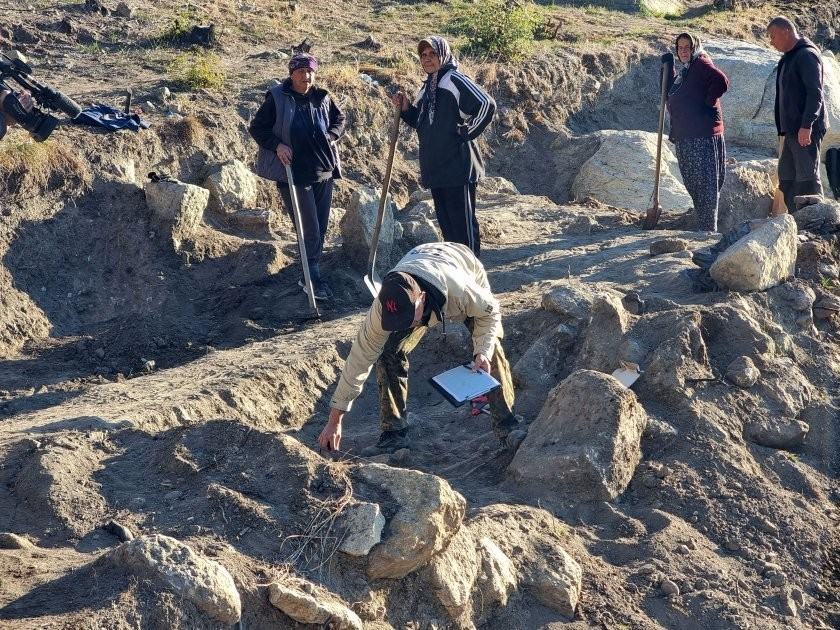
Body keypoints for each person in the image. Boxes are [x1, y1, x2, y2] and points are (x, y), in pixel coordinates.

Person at [317, 241, 526, 455]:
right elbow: (358, 360)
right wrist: (334, 420)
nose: (403, 325)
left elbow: (490, 314)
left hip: (460, 264)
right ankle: (394, 435)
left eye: (407, 318)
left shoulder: (462, 290)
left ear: (422, 300)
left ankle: (508, 427)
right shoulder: (381, 308)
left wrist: (482, 351)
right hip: (420, 264)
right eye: (396, 320)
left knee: (491, 348)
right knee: (389, 350)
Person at [249, 52, 346, 300]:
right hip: (293, 173)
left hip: (323, 170)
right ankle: (312, 278)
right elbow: (257, 127)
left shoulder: (322, 96)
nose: (306, 76)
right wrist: (277, 145)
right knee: (308, 228)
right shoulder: (278, 97)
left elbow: (339, 119)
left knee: (321, 227)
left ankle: (309, 271)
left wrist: (332, 136)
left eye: (310, 71)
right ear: (291, 74)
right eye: (301, 71)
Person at [392, 36, 496, 257]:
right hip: (437, 170)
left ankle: (472, 279)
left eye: (433, 54)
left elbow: (487, 104)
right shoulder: (428, 88)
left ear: (444, 54)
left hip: (458, 167)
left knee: (464, 230)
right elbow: (420, 122)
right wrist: (406, 108)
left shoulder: (454, 80)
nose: (427, 59)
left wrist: (468, 131)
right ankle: (458, 276)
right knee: (449, 232)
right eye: (423, 55)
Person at [662, 32, 729, 232]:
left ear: (695, 48)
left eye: (687, 47)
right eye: (680, 47)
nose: (683, 51)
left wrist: (707, 103)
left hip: (702, 137)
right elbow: (669, 93)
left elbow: (721, 81)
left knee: (706, 188)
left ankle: (708, 232)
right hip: (686, 136)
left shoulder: (700, 63)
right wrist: (668, 68)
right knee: (695, 186)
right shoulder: (685, 70)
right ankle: (705, 228)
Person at [767, 16, 828, 212]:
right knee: (787, 179)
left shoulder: (806, 55)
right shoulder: (789, 57)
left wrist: (806, 125)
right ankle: (796, 222)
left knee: (807, 180)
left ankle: (815, 226)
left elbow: (815, 93)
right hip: (792, 130)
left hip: (804, 130)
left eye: (773, 36)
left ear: (786, 32)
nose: (771, 41)